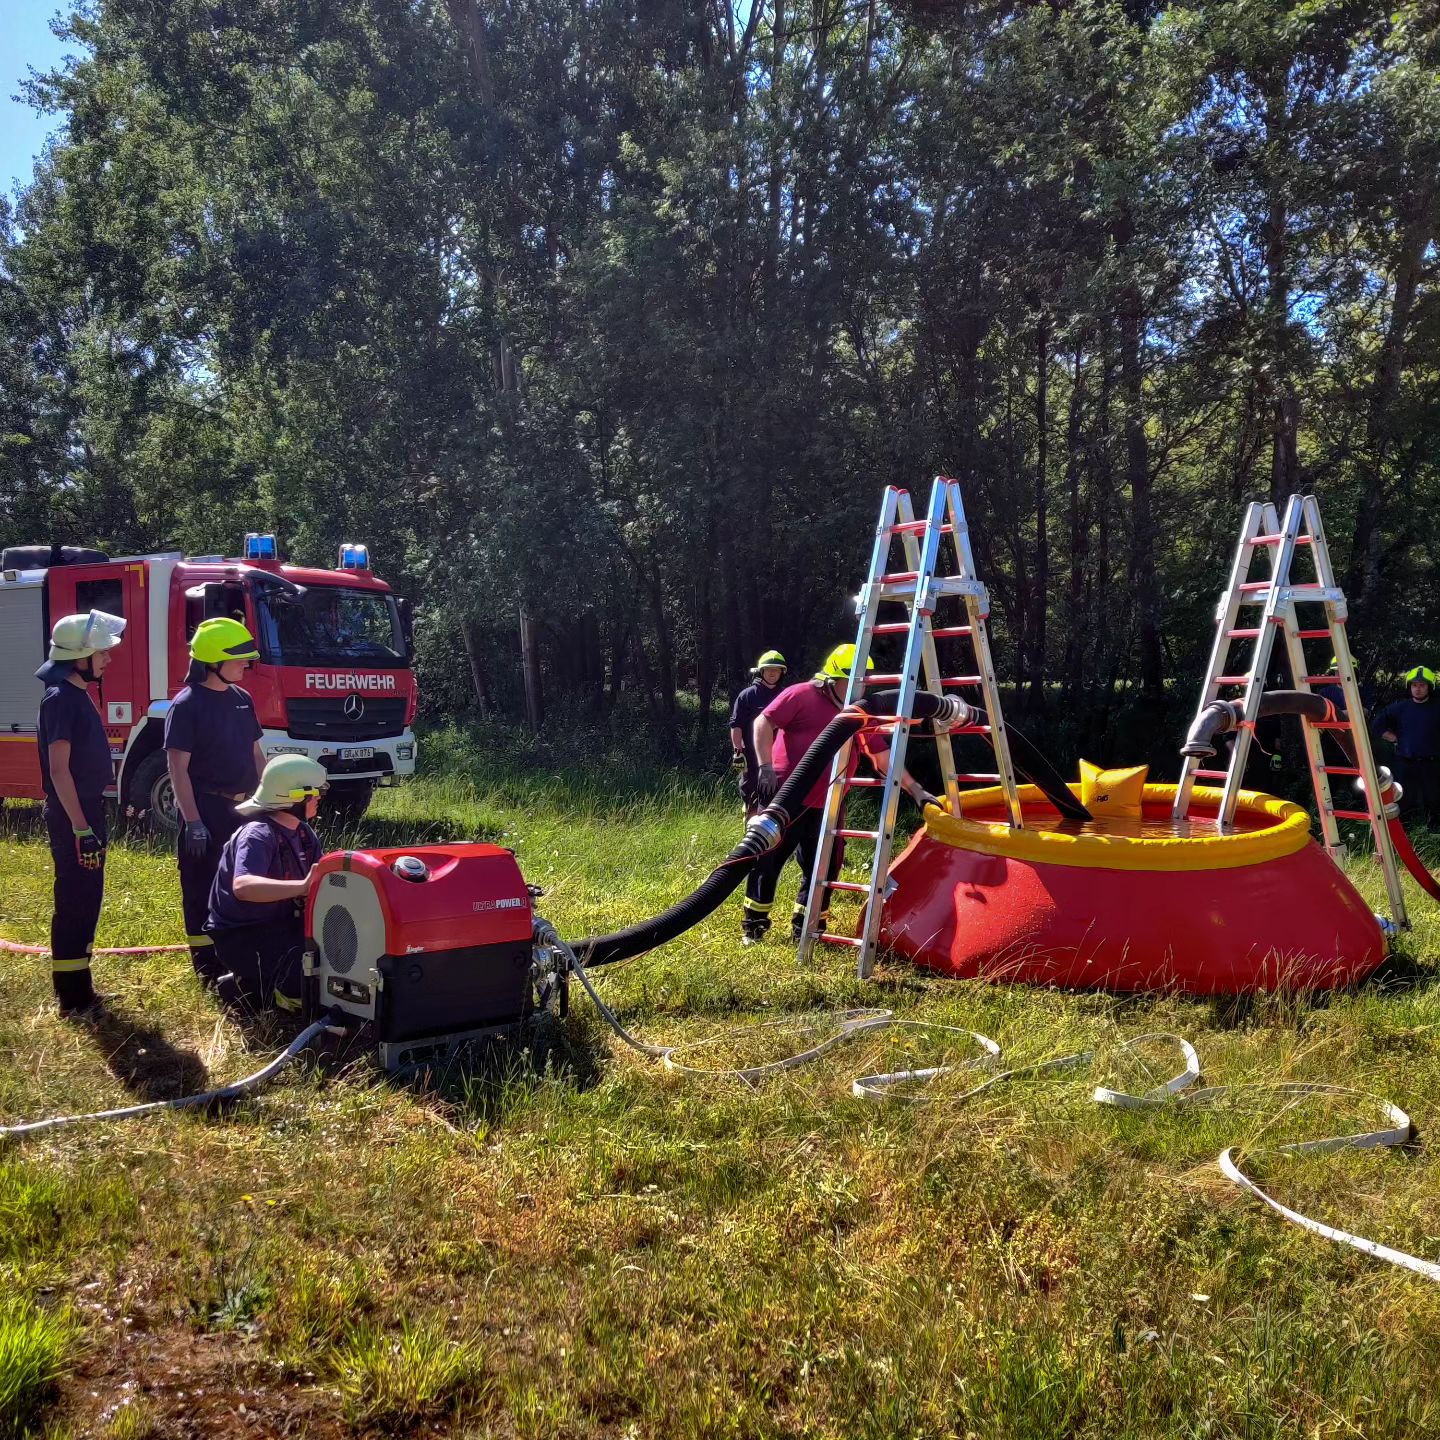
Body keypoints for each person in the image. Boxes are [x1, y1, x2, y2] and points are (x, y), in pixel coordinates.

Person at [741, 644, 936, 945]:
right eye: (852, 682)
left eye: (863, 682)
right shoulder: (801, 695)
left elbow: (882, 756)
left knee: (825, 867)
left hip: (828, 804)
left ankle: (806, 929)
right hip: (786, 797)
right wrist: (765, 767)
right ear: (832, 679)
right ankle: (754, 928)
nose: (858, 688)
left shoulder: (860, 712)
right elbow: (762, 722)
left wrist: (917, 791)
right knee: (768, 859)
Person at [34, 610, 127, 1017]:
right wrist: (80, 828)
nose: (108, 659)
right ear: (79, 657)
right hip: (75, 816)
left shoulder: (75, 694)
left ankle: (81, 987)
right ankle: (72, 999)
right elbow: (58, 771)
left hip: (86, 812)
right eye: (101, 652)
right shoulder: (60, 700)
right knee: (74, 901)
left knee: (88, 898)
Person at [165, 618, 267, 973]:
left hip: (243, 809)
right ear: (214, 660)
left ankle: (237, 957)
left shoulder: (242, 699)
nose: (246, 664)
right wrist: (193, 822)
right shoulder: (187, 705)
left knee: (237, 882)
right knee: (200, 888)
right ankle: (206, 966)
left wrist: (265, 800)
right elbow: (177, 769)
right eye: (239, 658)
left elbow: (257, 754)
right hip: (205, 808)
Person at [204, 755, 328, 1012]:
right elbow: (244, 886)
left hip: (280, 924)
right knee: (304, 987)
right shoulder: (258, 834)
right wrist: (302, 887)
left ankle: (262, 984)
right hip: (243, 934)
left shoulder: (304, 834)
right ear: (293, 797)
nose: (320, 798)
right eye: (316, 792)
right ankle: (242, 988)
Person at [1372, 665, 1440, 826]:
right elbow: (1376, 726)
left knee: (1435, 799)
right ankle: (1405, 834)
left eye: (1422, 685)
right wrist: (1394, 738)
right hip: (1405, 762)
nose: (1417, 689)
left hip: (1433, 763)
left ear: (1429, 687)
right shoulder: (1400, 708)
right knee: (1404, 800)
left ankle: (1434, 833)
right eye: (1414, 685)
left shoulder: (1437, 707)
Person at [728, 650, 787, 815]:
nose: (772, 672)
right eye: (768, 669)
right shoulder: (747, 696)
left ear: (782, 672)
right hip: (752, 757)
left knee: (778, 800)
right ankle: (750, 829)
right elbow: (736, 725)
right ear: (761, 671)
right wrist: (737, 751)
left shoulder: (786, 695)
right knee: (751, 795)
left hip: (780, 757)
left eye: (777, 669)